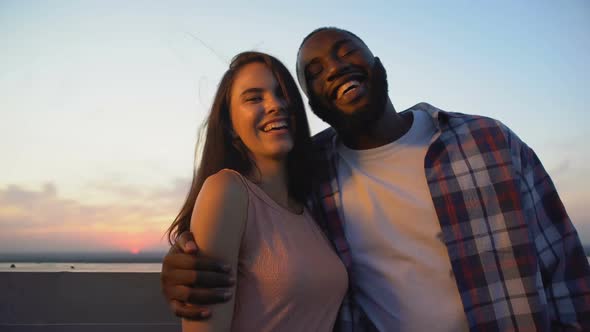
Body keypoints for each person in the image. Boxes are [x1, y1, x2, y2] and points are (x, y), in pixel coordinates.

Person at [161, 28, 590, 331]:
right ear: (313, 102)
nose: (333, 67)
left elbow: (567, 265)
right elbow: (252, 232)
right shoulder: (316, 174)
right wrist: (184, 261)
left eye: (346, 51)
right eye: (313, 71)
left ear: (377, 63)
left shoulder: (488, 140)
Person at [167, 51, 348, 331]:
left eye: (282, 93)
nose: (275, 105)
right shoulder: (227, 191)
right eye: (254, 98)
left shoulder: (310, 207)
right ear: (230, 126)